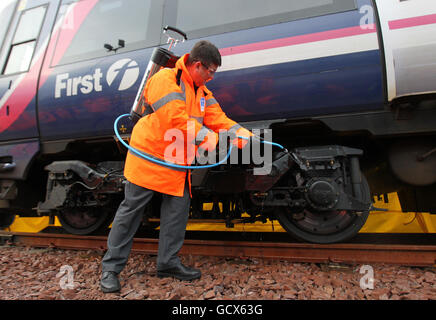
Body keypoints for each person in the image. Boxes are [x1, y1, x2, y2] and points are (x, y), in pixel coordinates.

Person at [100, 40, 252, 293]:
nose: (211, 77)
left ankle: (168, 263)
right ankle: (110, 269)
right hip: (150, 155)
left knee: (177, 214)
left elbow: (220, 120)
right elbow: (176, 120)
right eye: (210, 71)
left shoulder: (203, 93)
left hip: (178, 161)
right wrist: (213, 140)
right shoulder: (165, 79)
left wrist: (247, 137)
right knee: (131, 212)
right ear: (197, 64)